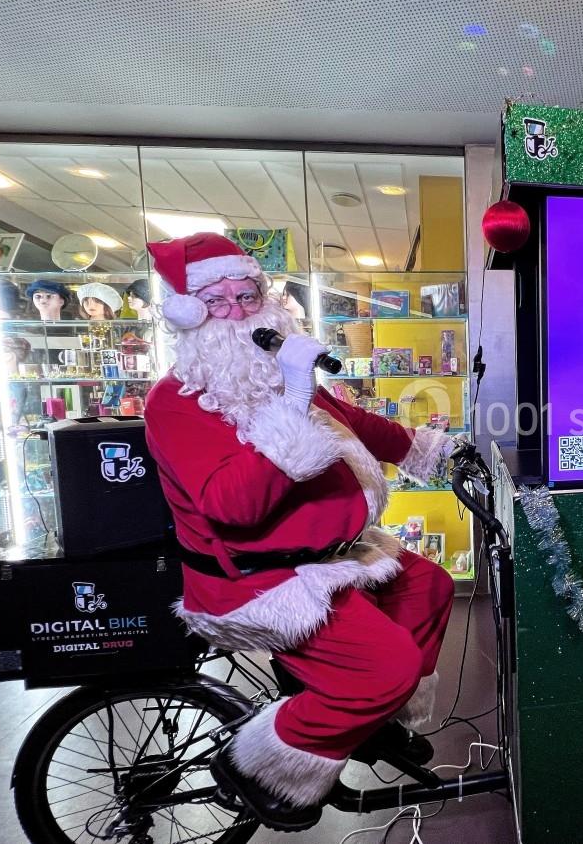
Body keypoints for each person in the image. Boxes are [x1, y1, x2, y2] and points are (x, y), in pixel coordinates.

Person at [142, 232, 456, 829]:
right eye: (218, 300)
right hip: (259, 577)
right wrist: (290, 402)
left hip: (330, 555)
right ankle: (260, 766)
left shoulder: (273, 375)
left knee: (429, 587)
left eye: (247, 294)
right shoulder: (176, 403)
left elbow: (357, 423)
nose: (238, 310)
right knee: (383, 669)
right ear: (188, 315)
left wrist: (437, 451)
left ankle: (370, 721)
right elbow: (232, 507)